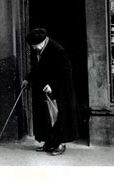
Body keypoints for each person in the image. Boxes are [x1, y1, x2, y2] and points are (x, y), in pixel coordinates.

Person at [22, 28, 80, 156]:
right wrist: (28, 79)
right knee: (46, 117)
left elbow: (66, 71)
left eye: (35, 46)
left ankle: (59, 144)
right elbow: (37, 68)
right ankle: (49, 142)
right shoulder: (39, 49)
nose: (33, 48)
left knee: (58, 117)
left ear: (42, 42)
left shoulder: (57, 49)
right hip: (44, 88)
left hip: (61, 89)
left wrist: (52, 85)